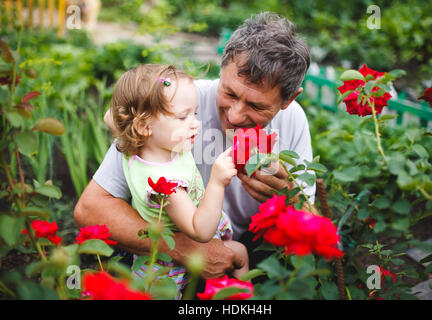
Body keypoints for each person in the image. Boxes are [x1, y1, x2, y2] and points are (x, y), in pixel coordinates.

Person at [74, 11, 316, 280]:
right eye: (230, 93)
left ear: (288, 99)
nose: (235, 116)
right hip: (163, 265)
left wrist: (291, 197)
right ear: (221, 67)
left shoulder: (293, 121)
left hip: (238, 257)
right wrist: (183, 248)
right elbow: (90, 209)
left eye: (256, 106)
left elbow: (312, 228)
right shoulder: (174, 106)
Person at [105, 64, 249, 297]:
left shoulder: (140, 146)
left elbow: (111, 117)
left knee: (239, 251)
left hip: (173, 243)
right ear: (144, 126)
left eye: (195, 113)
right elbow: (200, 231)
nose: (195, 123)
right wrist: (217, 181)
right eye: (183, 117)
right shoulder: (166, 185)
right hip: (169, 266)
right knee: (240, 256)